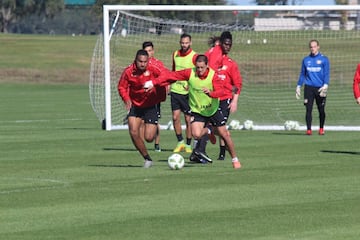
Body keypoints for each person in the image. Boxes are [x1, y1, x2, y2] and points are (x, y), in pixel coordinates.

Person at [145, 54, 242, 169]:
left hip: (212, 110)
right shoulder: (190, 73)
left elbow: (220, 91)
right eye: (197, 67)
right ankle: (209, 130)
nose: (199, 70)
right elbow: (172, 75)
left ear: (207, 65)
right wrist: (153, 83)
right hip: (197, 111)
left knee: (225, 135)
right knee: (196, 134)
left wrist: (210, 93)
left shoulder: (213, 76)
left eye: (202, 67)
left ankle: (235, 159)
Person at [117, 49, 167, 168]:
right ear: (136, 60)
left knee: (149, 138)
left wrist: (164, 86)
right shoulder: (129, 71)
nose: (142, 64)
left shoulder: (154, 68)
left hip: (151, 105)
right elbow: (121, 87)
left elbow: (165, 75)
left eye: (145, 62)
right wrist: (126, 99)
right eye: (140, 61)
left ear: (148, 61)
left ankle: (151, 126)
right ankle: (147, 158)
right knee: (133, 131)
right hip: (136, 105)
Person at [205, 31, 242, 160]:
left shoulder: (231, 64)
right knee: (219, 129)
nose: (227, 47)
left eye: (229, 45)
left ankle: (222, 154)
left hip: (225, 99)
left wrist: (234, 101)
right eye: (225, 44)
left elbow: (237, 84)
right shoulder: (212, 58)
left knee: (221, 127)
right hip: (212, 97)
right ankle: (207, 136)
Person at [295, 39, 330, 135]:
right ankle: (309, 129)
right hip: (309, 87)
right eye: (311, 47)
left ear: (318, 47)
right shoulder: (306, 60)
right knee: (308, 109)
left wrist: (325, 85)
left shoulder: (324, 59)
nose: (313, 49)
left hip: (320, 88)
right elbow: (302, 74)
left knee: (321, 109)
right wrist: (298, 85)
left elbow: (326, 73)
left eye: (314, 47)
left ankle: (321, 128)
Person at [170, 33, 197, 153]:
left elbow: (197, 74)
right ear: (180, 43)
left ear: (190, 43)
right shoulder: (175, 54)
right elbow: (173, 71)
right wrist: (168, 83)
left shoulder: (194, 56)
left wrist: (190, 85)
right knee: (175, 117)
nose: (184, 45)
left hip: (187, 93)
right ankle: (180, 142)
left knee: (188, 119)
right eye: (182, 43)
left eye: (186, 43)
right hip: (175, 90)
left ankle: (188, 144)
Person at [142, 41, 166, 152]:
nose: (149, 53)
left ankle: (157, 144)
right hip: (142, 96)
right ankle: (142, 143)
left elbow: (164, 77)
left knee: (154, 121)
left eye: (150, 51)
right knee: (142, 121)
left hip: (154, 96)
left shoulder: (158, 64)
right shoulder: (140, 63)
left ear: (153, 51)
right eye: (146, 51)